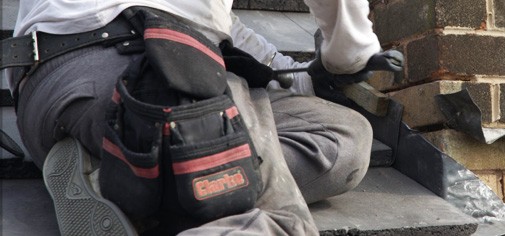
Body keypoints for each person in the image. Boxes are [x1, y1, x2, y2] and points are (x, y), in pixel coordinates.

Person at [2, 0, 382, 235]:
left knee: (344, 139)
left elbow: (219, 25)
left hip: (45, 100)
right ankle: (162, 179)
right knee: (273, 223)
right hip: (142, 72)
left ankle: (119, 175)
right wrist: (351, 56)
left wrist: (302, 77)